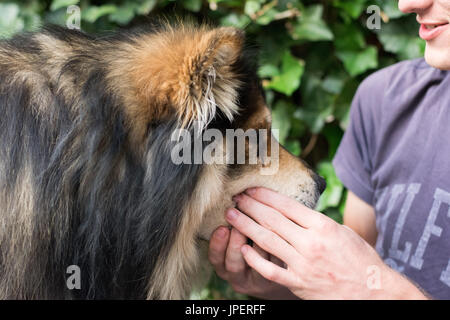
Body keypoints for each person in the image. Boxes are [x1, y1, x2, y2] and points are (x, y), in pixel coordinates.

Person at [208, 0, 450, 299]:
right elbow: (355, 268)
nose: (408, 4)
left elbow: (362, 287)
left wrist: (377, 292)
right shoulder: (384, 99)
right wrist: (292, 283)